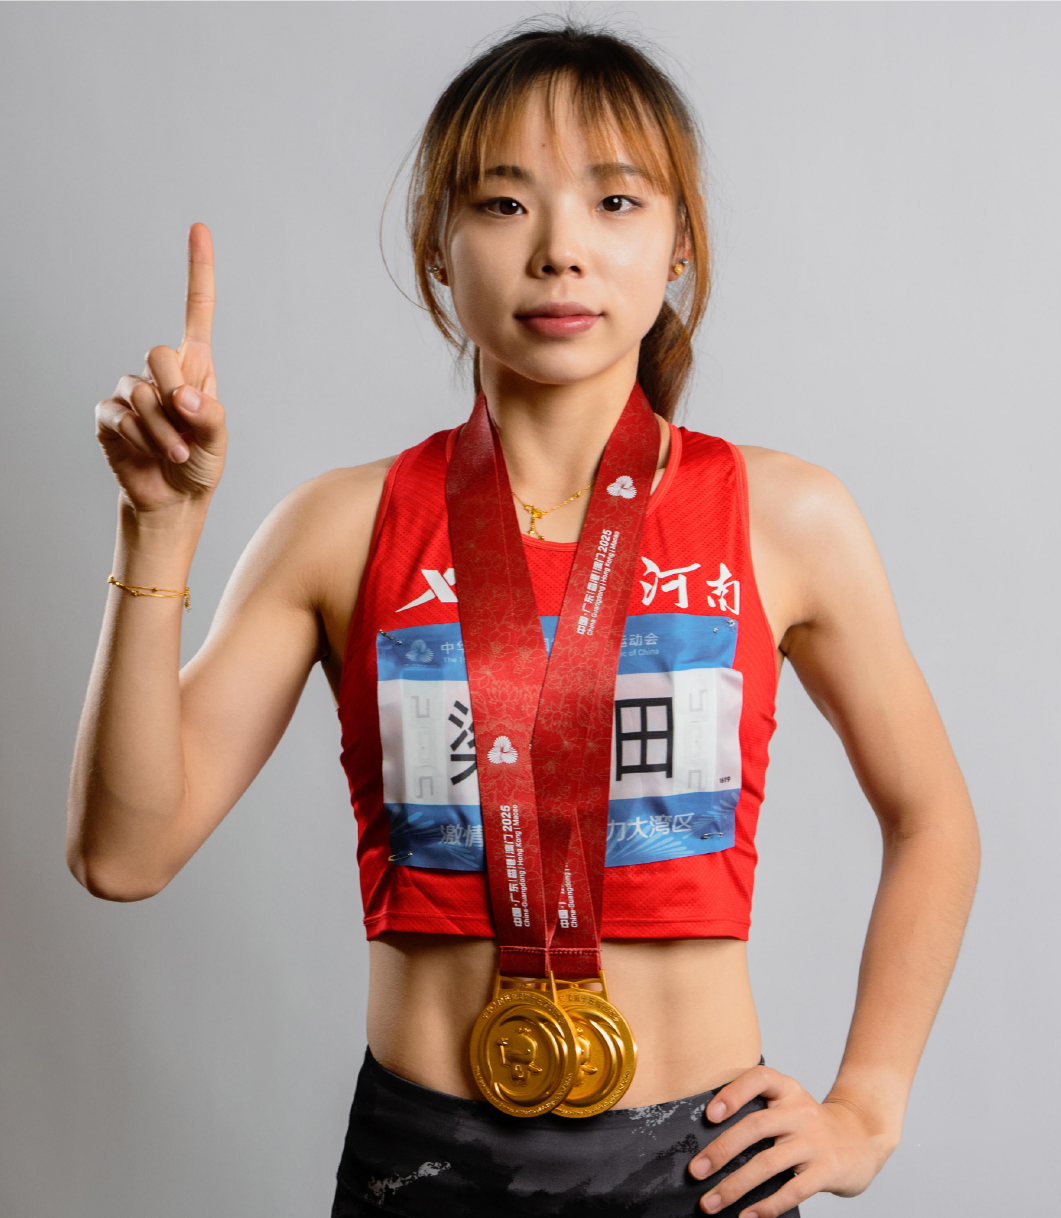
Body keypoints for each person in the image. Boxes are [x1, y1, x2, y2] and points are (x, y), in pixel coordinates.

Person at [68, 22, 979, 1218]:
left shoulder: (783, 517)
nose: (560, 250)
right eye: (503, 204)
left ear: (680, 243)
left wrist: (867, 1106)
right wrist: (157, 530)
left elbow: (934, 818)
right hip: (423, 1162)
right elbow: (123, 855)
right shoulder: (340, 527)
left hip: (699, 1169)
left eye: (615, 201)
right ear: (438, 246)